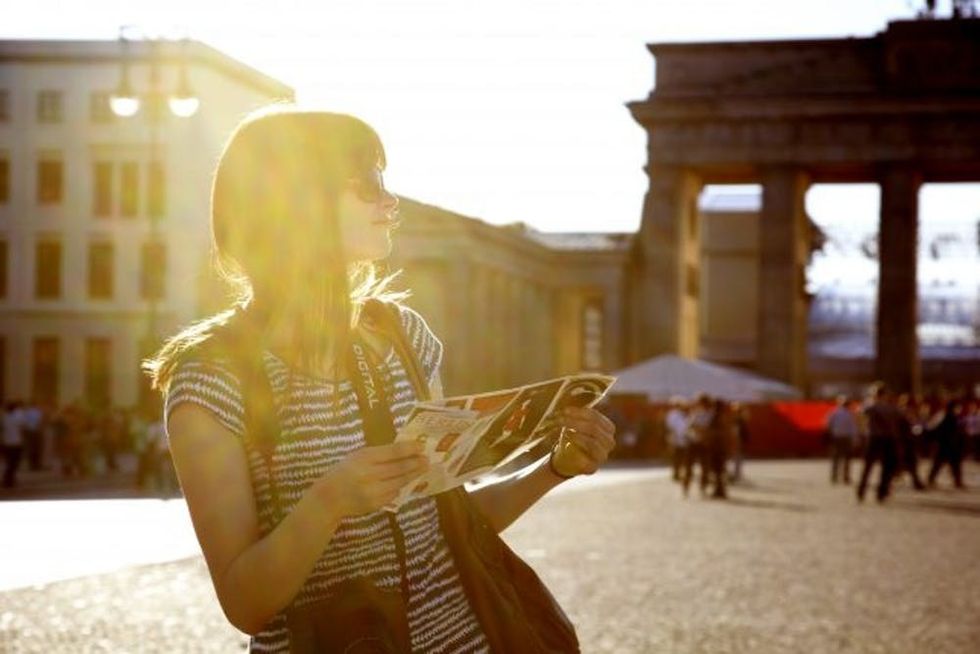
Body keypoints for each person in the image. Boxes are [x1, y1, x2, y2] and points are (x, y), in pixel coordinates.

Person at [145, 107, 616, 652]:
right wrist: (330, 501)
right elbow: (247, 604)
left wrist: (553, 467)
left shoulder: (400, 336)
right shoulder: (210, 379)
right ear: (298, 205)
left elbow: (452, 523)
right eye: (367, 185)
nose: (390, 204)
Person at [856, 382, 901, 503]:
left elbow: (860, 413)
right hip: (888, 439)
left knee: (868, 466)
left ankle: (862, 490)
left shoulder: (871, 405)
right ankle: (881, 492)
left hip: (874, 438)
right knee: (886, 467)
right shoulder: (892, 407)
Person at [926, 400, 966, 489]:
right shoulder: (948, 417)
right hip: (947, 445)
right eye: (957, 407)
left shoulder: (950, 417)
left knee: (945, 464)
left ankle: (957, 481)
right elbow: (938, 430)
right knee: (946, 464)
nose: (959, 409)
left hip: (947, 445)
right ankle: (957, 482)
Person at [825, 395, 858, 484]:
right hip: (845, 438)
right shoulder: (849, 414)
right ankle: (845, 477)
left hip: (837, 437)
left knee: (837, 458)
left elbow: (827, 424)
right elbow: (853, 428)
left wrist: (831, 433)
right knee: (846, 458)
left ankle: (835, 477)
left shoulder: (834, 412)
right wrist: (855, 439)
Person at [664, 397, 689, 482]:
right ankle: (676, 473)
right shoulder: (672, 414)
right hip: (676, 438)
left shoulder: (683, 414)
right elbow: (671, 427)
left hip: (682, 438)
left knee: (680, 457)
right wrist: (673, 438)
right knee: (676, 457)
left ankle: (678, 473)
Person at [2, 401, 26, 488]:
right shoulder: (17, 417)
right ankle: (8, 480)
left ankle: (8, 479)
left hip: (7, 443)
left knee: (9, 462)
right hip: (16, 443)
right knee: (14, 463)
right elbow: (23, 426)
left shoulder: (5, 417)